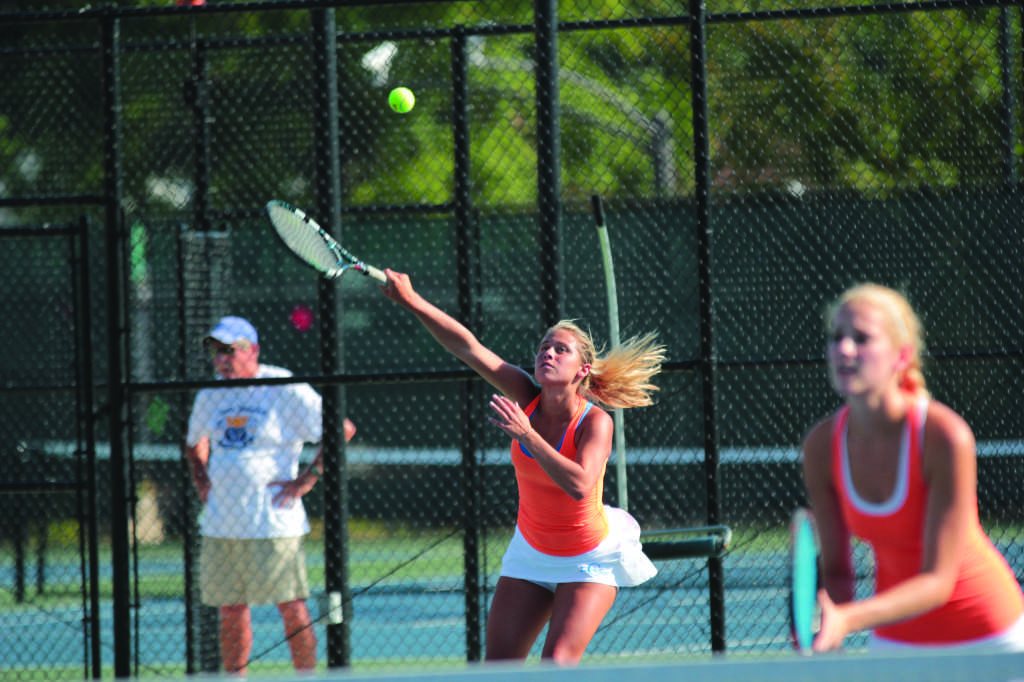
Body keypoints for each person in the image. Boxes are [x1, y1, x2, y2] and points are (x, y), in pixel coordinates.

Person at [379, 269, 664, 666]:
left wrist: (529, 436)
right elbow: (469, 348)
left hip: (588, 557)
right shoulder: (526, 393)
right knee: (499, 667)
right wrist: (412, 300)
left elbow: (581, 485)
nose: (548, 353)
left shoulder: (596, 421)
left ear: (582, 370)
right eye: (544, 347)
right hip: (531, 552)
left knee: (557, 664)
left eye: (561, 350)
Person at [801, 283, 1024, 653]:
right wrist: (825, 625)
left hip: (990, 639)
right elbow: (838, 573)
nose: (843, 348)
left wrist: (849, 619)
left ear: (901, 356)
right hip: (896, 642)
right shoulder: (820, 446)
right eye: (836, 336)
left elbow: (938, 581)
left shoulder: (944, 437)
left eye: (862, 338)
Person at [185, 316, 356, 675]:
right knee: (230, 610)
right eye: (217, 353)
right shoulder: (209, 393)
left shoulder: (284, 386)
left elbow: (341, 430)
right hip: (221, 524)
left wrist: (306, 479)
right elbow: (194, 441)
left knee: (292, 608)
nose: (221, 360)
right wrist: (201, 478)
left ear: (253, 351)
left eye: (229, 351)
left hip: (274, 523)